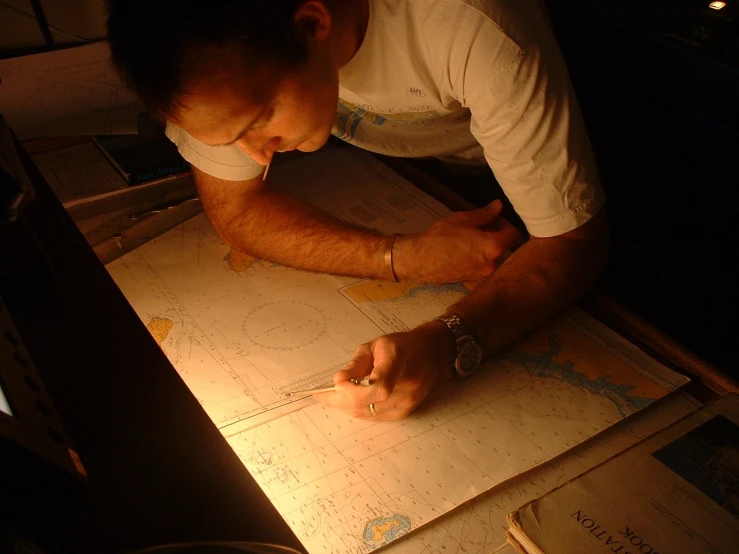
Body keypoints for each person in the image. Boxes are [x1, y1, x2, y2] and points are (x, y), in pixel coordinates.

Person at [107, 0, 608, 421]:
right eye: (231, 140)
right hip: (424, 180)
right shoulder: (218, 64)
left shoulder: (472, 25)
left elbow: (573, 241)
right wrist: (402, 258)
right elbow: (236, 211)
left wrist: (443, 344)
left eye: (259, 122)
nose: (258, 156)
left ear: (311, 25)